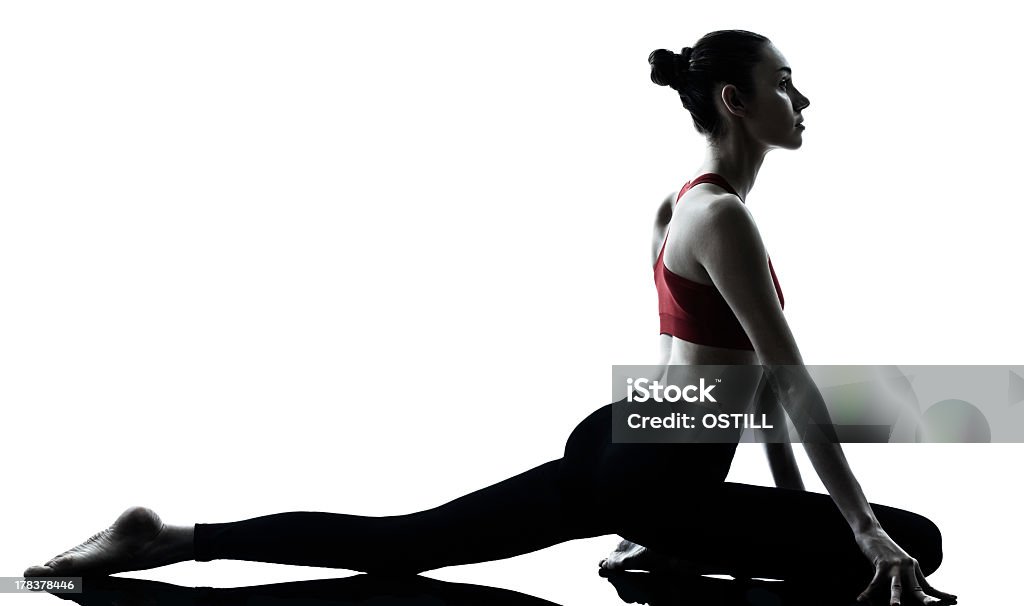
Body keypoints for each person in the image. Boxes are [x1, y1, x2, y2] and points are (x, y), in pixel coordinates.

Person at [24, 30, 956, 606]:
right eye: (786, 83)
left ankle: (177, 539)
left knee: (411, 542)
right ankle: (672, 537)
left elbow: (737, 388)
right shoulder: (724, 218)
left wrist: (761, 514)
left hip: (632, 447)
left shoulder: (683, 203)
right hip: (652, 471)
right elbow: (787, 388)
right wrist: (858, 530)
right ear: (736, 101)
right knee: (914, 544)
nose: (804, 100)